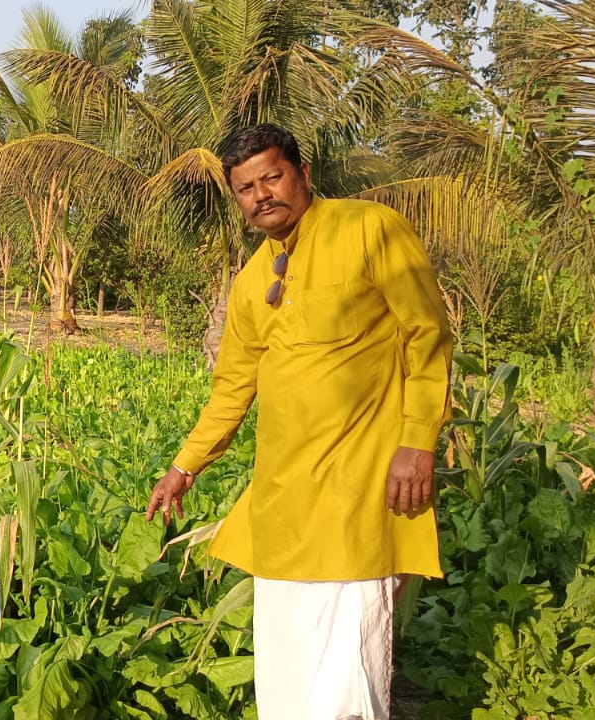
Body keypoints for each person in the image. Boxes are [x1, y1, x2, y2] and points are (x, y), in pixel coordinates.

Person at [145, 124, 453, 719]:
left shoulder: (369, 228)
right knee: (287, 682)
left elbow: (427, 333)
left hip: (359, 495)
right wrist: (184, 466)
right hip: (283, 504)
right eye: (244, 188)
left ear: (303, 174)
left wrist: (418, 441)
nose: (261, 195)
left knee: (346, 686)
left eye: (272, 177)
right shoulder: (250, 282)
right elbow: (233, 388)